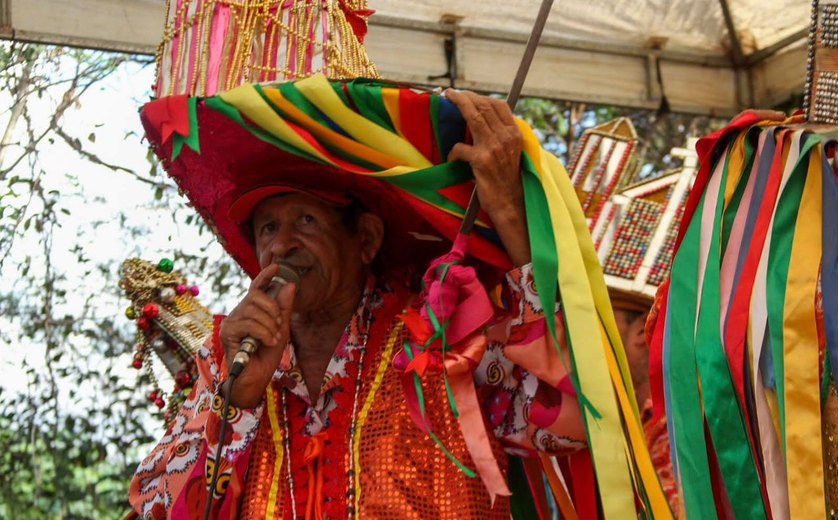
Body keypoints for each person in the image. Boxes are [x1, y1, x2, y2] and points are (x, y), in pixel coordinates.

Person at [129, 89, 589, 519]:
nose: (282, 245)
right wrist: (236, 403)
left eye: (305, 219)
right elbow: (156, 506)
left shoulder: (442, 338)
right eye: (267, 229)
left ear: (365, 238)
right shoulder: (229, 356)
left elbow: (566, 423)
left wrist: (509, 213)